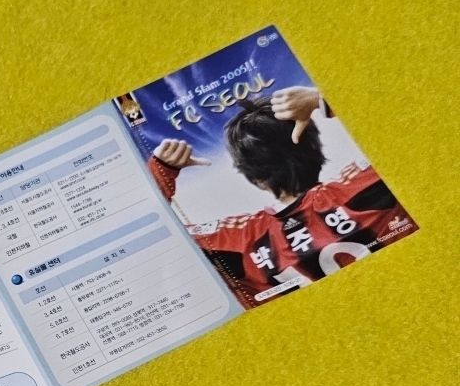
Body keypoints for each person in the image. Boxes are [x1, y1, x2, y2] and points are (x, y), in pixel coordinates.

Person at [146, 86, 417, 308]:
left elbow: (152, 239)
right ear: (314, 147)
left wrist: (162, 171)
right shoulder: (362, 184)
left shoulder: (240, 242)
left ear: (253, 176)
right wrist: (320, 99)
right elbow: (411, 119)